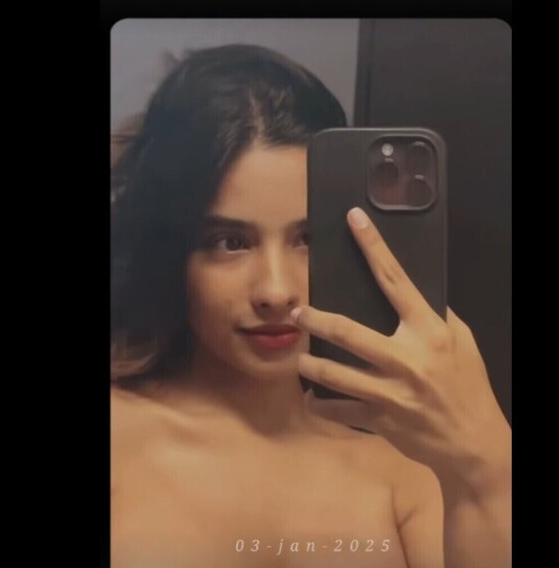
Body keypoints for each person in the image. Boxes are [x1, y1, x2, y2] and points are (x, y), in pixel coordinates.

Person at [110, 43, 511, 568]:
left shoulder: (410, 477)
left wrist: (489, 463)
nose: (277, 291)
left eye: (308, 239)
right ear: (169, 251)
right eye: (230, 242)